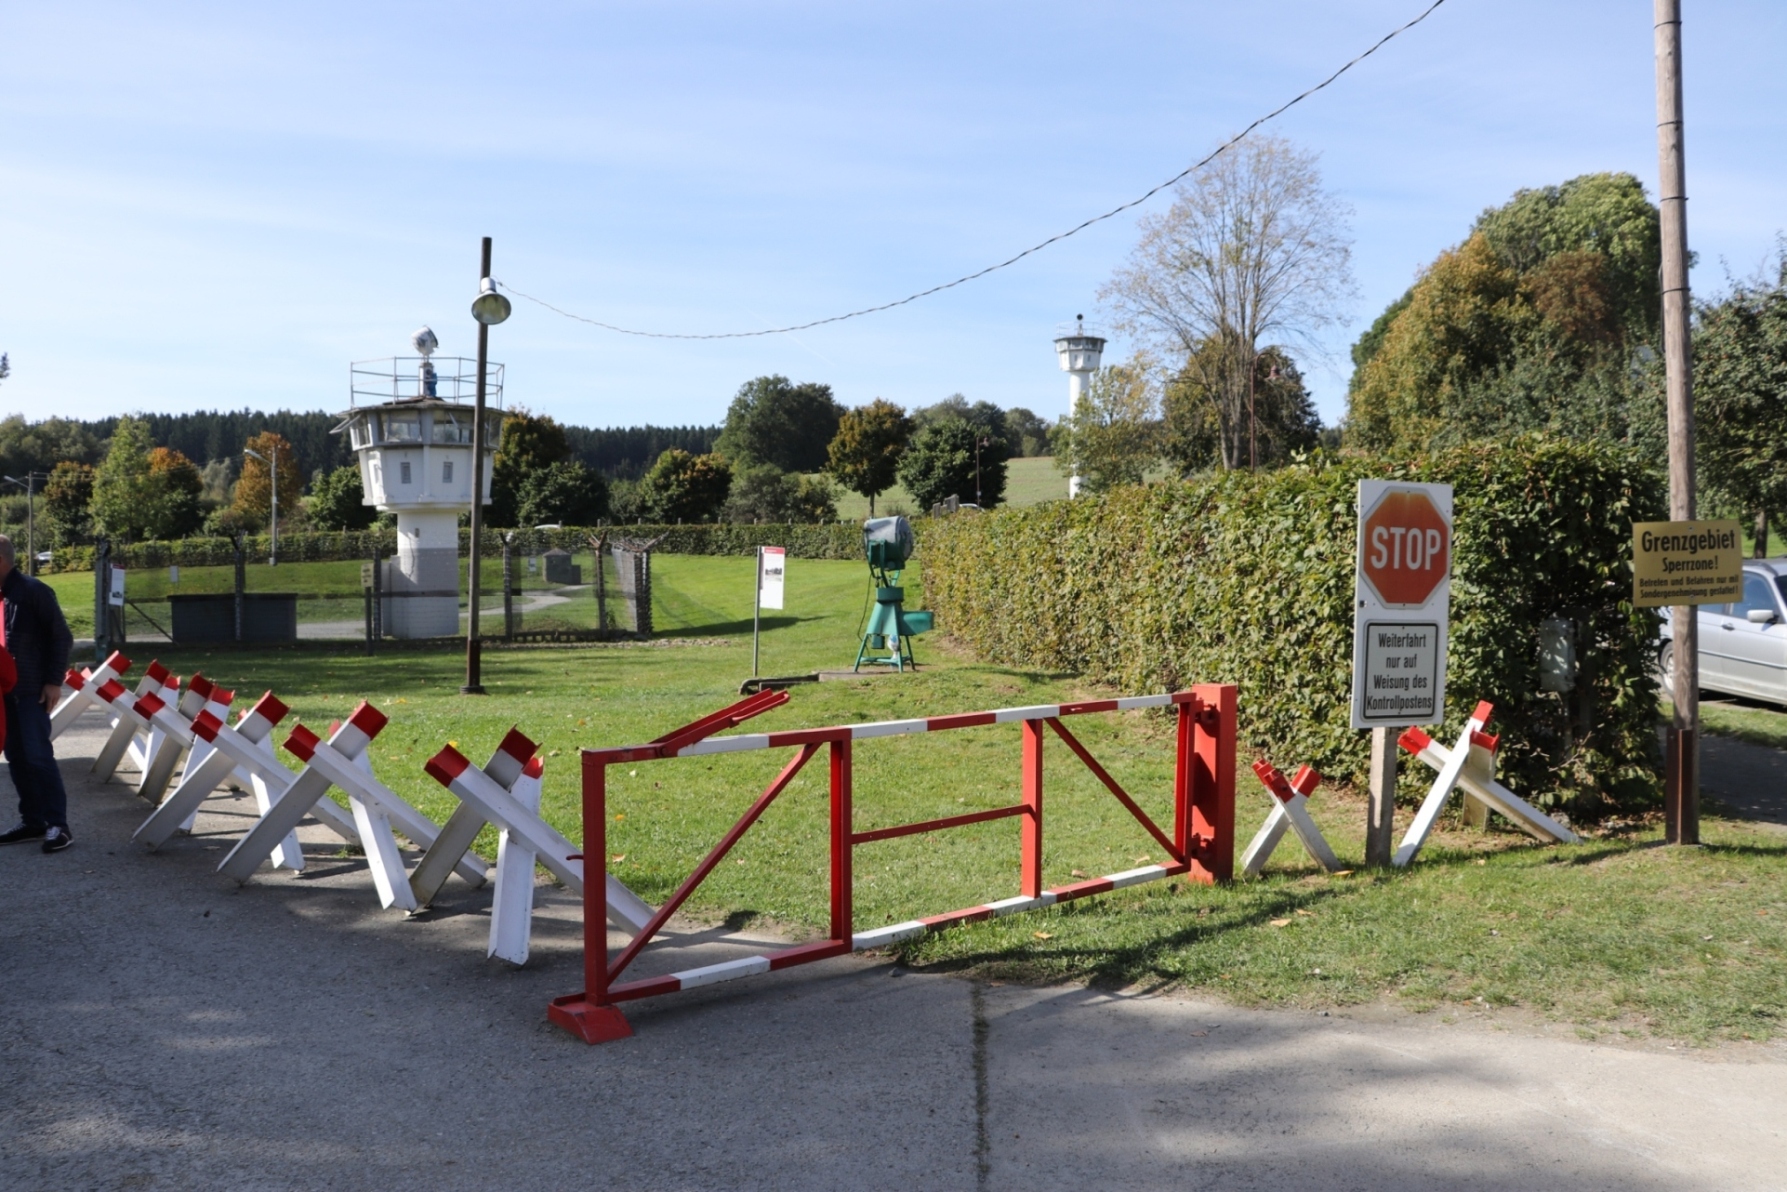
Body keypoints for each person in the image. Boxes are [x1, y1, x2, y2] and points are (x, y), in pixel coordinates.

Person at [0, 535, 75, 853]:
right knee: (15, 755)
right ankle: (33, 821)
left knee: (38, 756)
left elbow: (62, 638)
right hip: (5, 693)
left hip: (32, 691)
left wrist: (54, 681)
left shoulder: (34, 592)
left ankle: (59, 825)